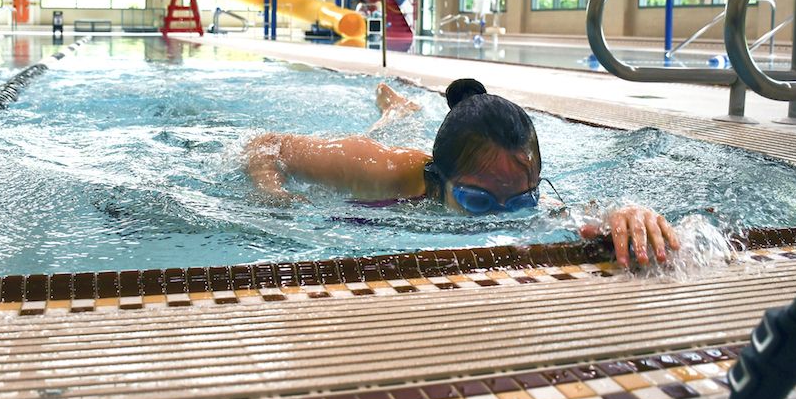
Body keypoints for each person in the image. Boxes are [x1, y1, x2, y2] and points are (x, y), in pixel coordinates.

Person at [246, 78, 680, 268]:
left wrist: (629, 216)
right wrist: (273, 198)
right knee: (392, 129)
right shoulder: (385, 170)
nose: (499, 215)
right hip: (394, 154)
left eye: (521, 201)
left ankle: (405, 109)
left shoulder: (514, 190)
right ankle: (397, 108)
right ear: (439, 182)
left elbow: (586, 216)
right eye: (477, 201)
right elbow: (264, 145)